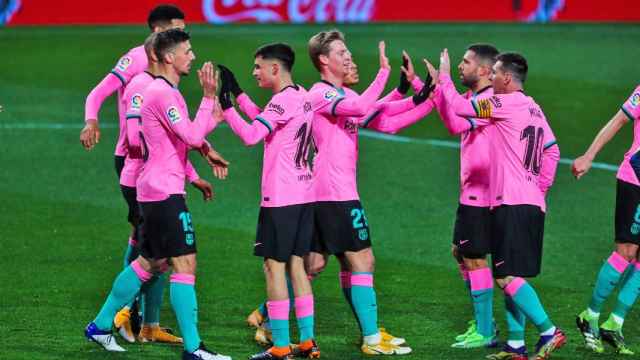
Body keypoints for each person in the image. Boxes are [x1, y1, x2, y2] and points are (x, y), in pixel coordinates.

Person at [85, 29, 231, 360]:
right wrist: (209, 98)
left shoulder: (164, 91)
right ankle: (194, 349)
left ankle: (100, 324)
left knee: (152, 262)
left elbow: (179, 141)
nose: (192, 57)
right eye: (187, 51)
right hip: (163, 191)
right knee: (184, 263)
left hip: (158, 187)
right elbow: (190, 136)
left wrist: (201, 157)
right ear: (168, 57)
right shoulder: (162, 94)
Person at [438, 49, 564, 360]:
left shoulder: (503, 103)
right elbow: (553, 152)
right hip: (528, 201)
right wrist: (539, 189)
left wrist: (442, 75)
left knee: (505, 276)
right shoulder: (533, 107)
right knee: (511, 273)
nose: (490, 78)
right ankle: (516, 346)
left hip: (511, 201)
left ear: (507, 78)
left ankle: (549, 330)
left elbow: (458, 106)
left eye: (494, 73)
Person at [79, 4, 187, 338]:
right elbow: (98, 92)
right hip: (135, 162)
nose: (185, 37)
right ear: (159, 31)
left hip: (157, 164)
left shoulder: (167, 66)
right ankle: (125, 314)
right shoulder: (138, 59)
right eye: (178, 30)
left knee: (153, 244)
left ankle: (149, 324)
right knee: (151, 245)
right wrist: (91, 120)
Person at [572, 85, 640, 355]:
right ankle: (590, 315)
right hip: (636, 179)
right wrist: (589, 156)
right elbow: (619, 120)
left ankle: (615, 323)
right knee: (625, 251)